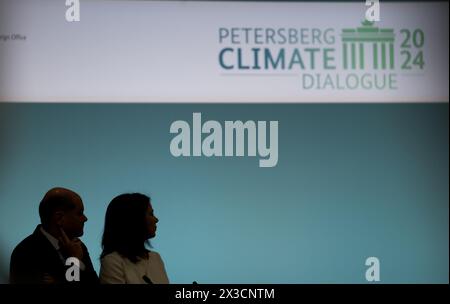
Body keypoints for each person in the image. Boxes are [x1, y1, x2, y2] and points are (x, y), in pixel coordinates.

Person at [9, 187, 99, 284]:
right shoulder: (25, 252)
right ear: (59, 218)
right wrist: (74, 261)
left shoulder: (78, 246)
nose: (85, 218)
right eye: (79, 213)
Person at [99, 193, 169, 284]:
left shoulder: (156, 258)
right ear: (135, 219)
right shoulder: (112, 262)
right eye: (151, 214)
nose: (156, 219)